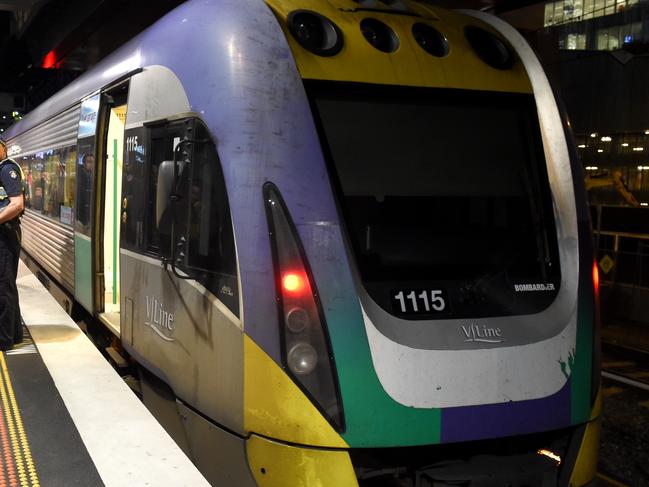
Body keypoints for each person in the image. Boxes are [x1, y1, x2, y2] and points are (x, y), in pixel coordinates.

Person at [0, 139, 24, 350]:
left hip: (5, 235)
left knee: (3, 286)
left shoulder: (7, 169)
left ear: (3, 147)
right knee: (7, 285)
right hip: (4, 233)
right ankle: (15, 333)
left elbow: (17, 204)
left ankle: (4, 339)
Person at [77, 153, 94, 228]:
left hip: (90, 216)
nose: (91, 164)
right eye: (89, 161)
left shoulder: (94, 175)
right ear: (84, 163)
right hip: (80, 216)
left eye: (92, 162)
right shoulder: (79, 175)